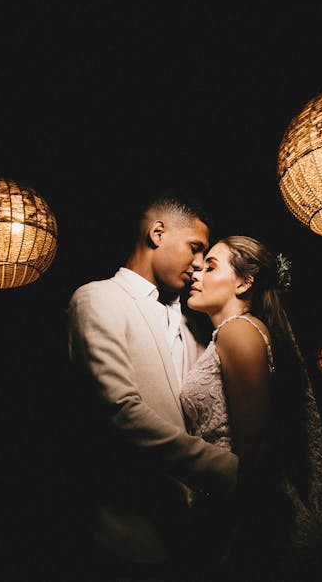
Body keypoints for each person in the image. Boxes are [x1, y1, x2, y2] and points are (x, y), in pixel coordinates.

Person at [65, 194, 240, 579]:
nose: (198, 264)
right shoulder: (97, 298)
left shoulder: (194, 325)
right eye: (195, 248)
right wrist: (231, 472)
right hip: (130, 540)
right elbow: (120, 412)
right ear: (157, 233)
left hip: (199, 542)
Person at [181, 235, 322, 580]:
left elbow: (257, 445)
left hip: (244, 522)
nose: (196, 272)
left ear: (243, 282)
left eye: (211, 266)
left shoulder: (237, 332)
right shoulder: (238, 331)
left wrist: (242, 537)